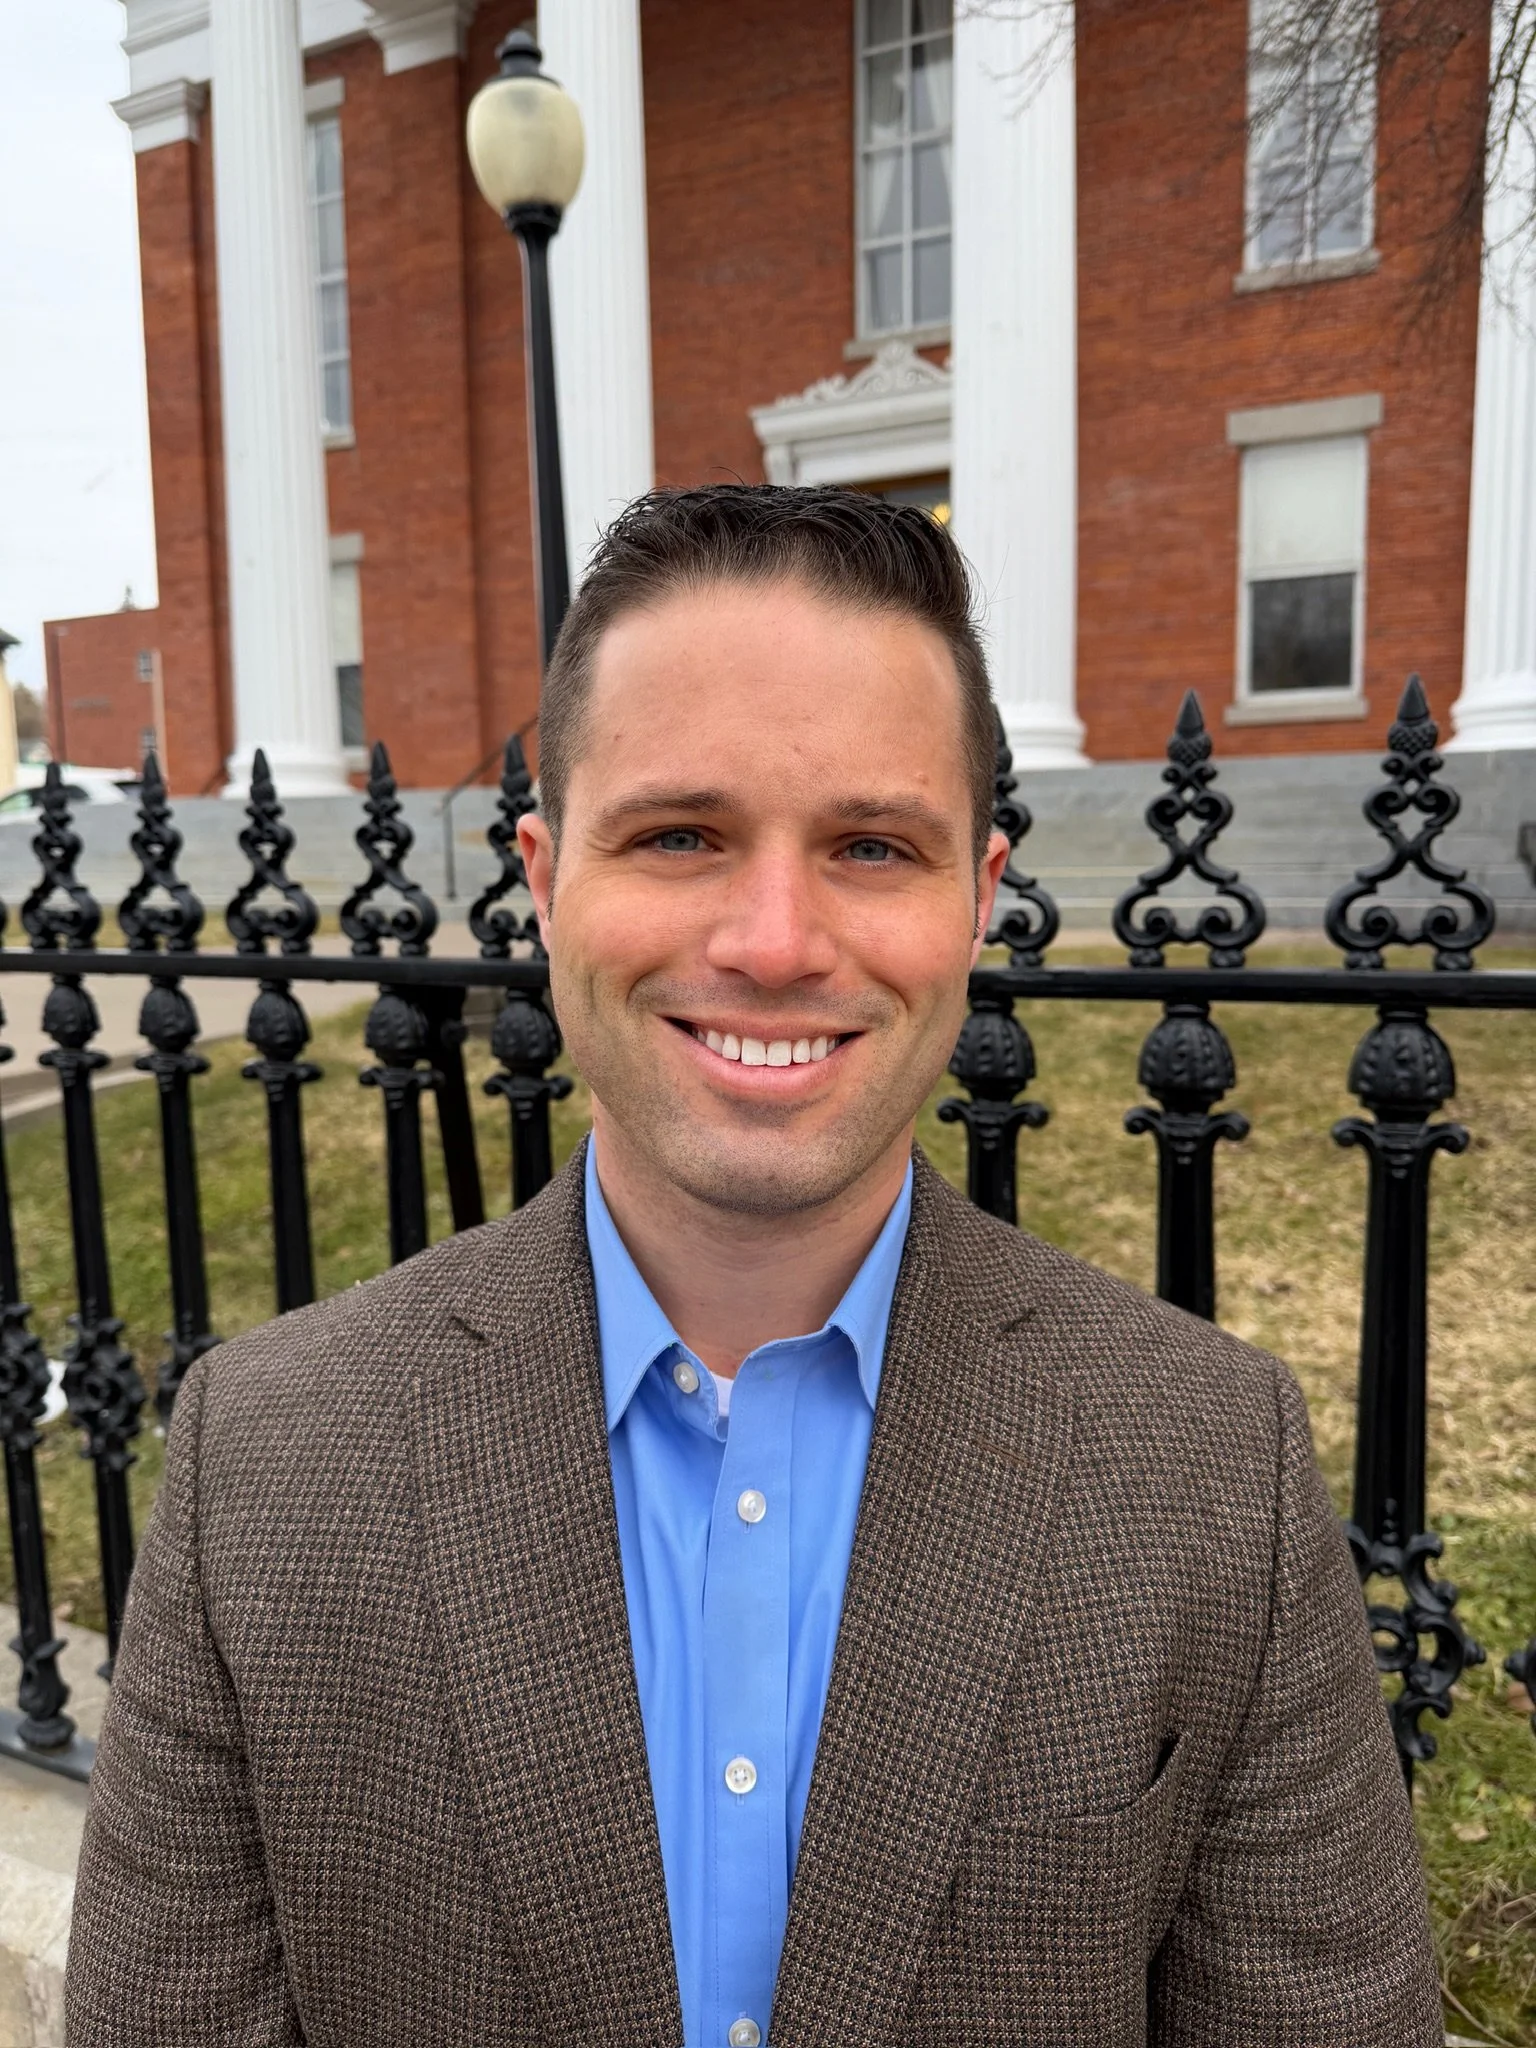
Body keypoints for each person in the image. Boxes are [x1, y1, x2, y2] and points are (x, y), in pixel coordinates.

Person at [66, 485, 1440, 2048]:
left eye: (870, 843)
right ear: (544, 872)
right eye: (679, 834)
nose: (776, 939)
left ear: (978, 896)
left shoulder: (1207, 1466)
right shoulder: (269, 1458)